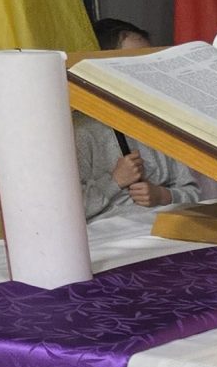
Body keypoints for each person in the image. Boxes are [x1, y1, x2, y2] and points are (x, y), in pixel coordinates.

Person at [76, 17, 203, 220]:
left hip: (167, 228)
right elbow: (68, 211)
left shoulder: (160, 124)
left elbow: (193, 193)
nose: (145, 72)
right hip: (112, 238)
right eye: (132, 63)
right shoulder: (82, 132)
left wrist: (163, 195)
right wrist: (114, 180)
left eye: (148, 62)